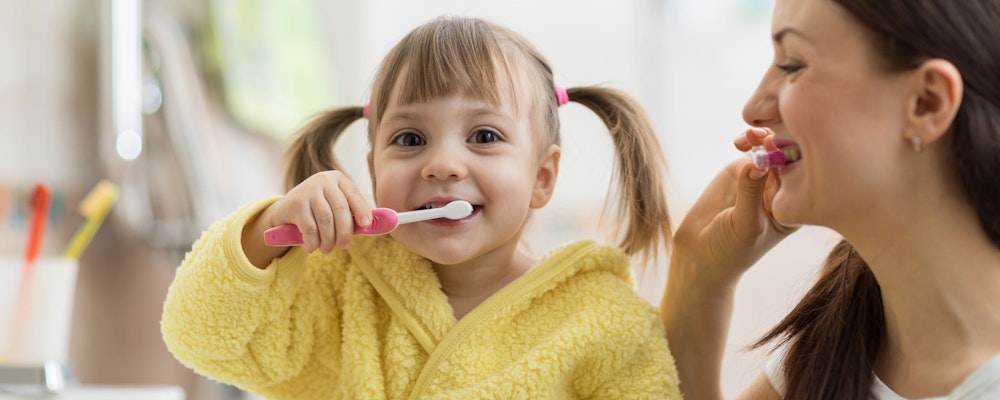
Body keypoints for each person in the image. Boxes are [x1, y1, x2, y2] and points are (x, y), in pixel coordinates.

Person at [161, 16, 681, 399]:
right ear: (372, 172)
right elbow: (202, 338)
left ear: (541, 177)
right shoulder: (340, 287)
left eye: (483, 136)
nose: (443, 165)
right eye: (410, 139)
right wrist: (266, 228)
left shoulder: (606, 321)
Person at [660, 0, 1000, 398]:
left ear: (926, 102)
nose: (753, 110)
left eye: (792, 65)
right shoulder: (833, 348)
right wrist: (697, 277)